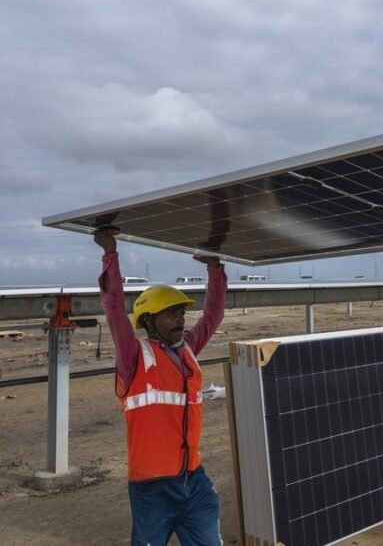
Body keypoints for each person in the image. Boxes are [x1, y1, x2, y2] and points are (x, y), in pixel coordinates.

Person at [94, 227, 227, 546]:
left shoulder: (188, 349)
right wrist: (110, 255)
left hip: (193, 481)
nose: (180, 319)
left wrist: (215, 269)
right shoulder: (134, 357)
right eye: (171, 314)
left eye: (181, 312)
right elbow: (114, 312)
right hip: (153, 489)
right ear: (149, 320)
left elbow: (212, 316)